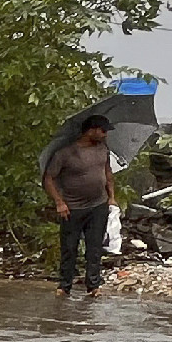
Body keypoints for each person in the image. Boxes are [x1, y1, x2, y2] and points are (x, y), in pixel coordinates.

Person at [44, 115, 116, 297]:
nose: (105, 135)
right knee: (69, 247)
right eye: (102, 131)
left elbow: (107, 172)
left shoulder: (103, 149)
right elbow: (49, 178)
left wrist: (112, 197)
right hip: (72, 207)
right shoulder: (65, 153)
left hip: (98, 204)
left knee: (95, 247)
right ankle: (64, 285)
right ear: (90, 130)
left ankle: (93, 286)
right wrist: (59, 202)